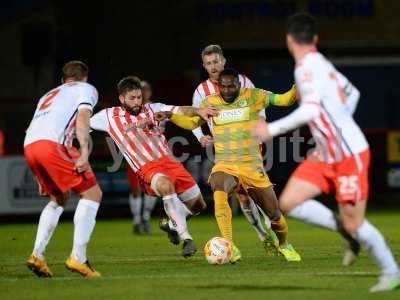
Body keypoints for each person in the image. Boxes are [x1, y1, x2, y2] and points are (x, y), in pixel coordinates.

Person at [252, 13, 400, 293]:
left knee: (355, 222)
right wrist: (339, 124)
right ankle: (344, 230)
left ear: (288, 40)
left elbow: (312, 109)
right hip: (325, 154)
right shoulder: (323, 64)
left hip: (348, 156)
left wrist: (271, 130)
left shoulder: (306, 68)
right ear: (315, 39)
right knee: (289, 203)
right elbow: (353, 93)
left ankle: (392, 271)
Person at [167, 68, 300, 263]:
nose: (227, 90)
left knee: (275, 215)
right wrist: (170, 115)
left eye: (231, 86)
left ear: (239, 84)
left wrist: (298, 85)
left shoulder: (255, 96)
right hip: (226, 165)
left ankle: (284, 244)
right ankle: (228, 245)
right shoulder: (210, 103)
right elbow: (191, 123)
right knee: (219, 188)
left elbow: (284, 100)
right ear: (218, 86)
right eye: (224, 86)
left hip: (252, 167)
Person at [90, 76, 216, 257]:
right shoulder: (107, 116)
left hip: (170, 162)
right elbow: (83, 126)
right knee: (166, 186)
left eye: (139, 97)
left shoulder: (154, 108)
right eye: (132, 98)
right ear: (122, 99)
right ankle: (186, 238)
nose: (137, 102)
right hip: (146, 167)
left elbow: (181, 110)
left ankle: (172, 224)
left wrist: (199, 110)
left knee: (198, 205)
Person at [24, 60, 102, 278]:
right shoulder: (87, 89)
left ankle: (37, 255)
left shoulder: (47, 95)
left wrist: (39, 177)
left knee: (59, 197)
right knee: (93, 194)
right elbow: (83, 120)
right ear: (84, 77)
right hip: (54, 146)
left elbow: (30, 129)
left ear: (63, 80)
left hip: (30, 147)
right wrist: (85, 153)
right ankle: (78, 258)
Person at [192, 44, 268, 244]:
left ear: (224, 61)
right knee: (242, 195)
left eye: (216, 61)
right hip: (224, 150)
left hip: (249, 144)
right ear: (204, 66)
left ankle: (271, 224)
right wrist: (200, 136)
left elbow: (260, 104)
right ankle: (262, 233)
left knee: (257, 190)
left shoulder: (243, 81)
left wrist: (261, 124)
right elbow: (193, 117)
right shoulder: (202, 91)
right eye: (209, 63)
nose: (213, 66)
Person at [127, 80, 158, 235]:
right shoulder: (128, 110)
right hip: (134, 154)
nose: (144, 93)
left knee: (152, 188)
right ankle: (137, 219)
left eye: (146, 90)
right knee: (136, 190)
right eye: (142, 90)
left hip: (152, 155)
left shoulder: (154, 108)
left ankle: (145, 217)